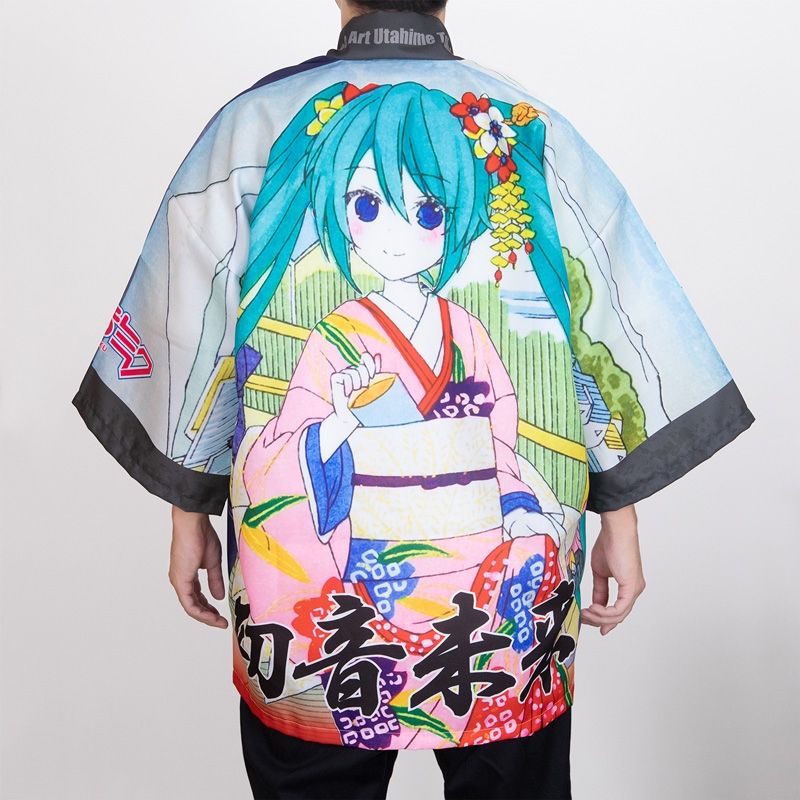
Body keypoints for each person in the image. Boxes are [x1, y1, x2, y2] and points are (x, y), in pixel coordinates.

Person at [73, 1, 754, 797]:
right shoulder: (526, 125)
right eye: (367, 206)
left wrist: (188, 513)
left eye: (429, 211)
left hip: (427, 589)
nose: (397, 231)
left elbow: (193, 328)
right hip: (385, 583)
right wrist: (619, 518)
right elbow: (602, 320)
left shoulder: (251, 124)